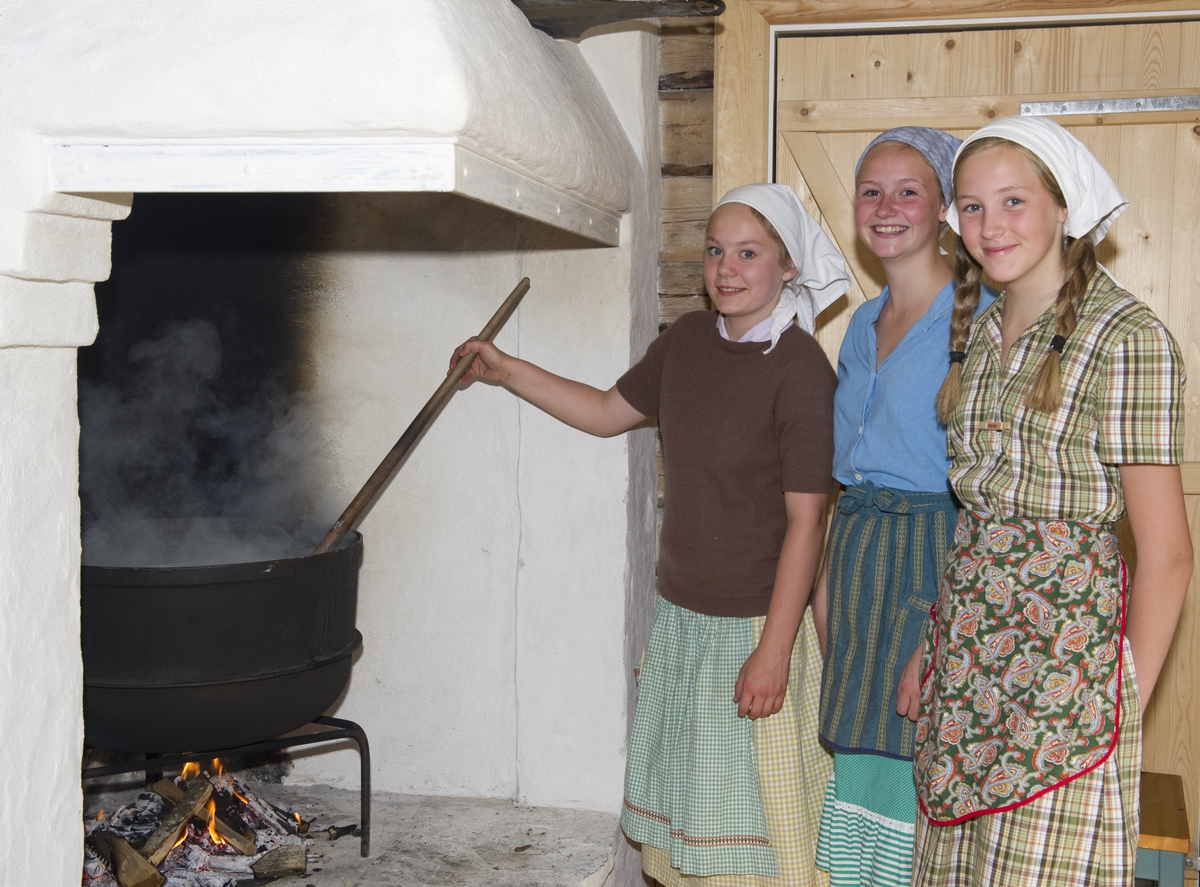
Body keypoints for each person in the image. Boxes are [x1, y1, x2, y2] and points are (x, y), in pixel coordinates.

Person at [451, 183, 849, 886]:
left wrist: (774, 652)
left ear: (789, 266)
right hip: (686, 623)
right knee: (691, 837)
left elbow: (808, 521)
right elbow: (608, 410)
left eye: (748, 253)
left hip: (755, 627)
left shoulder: (800, 370)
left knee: (755, 847)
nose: (726, 268)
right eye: (716, 251)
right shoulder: (686, 342)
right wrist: (505, 369)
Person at [904, 116, 1192, 886]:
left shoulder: (1126, 338)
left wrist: (1118, 697)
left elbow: (1166, 553)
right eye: (970, 206)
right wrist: (931, 649)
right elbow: (978, 522)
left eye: (1013, 202)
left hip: (1066, 665)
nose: (990, 225)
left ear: (1064, 208)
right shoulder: (982, 327)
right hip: (968, 657)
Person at [810, 127, 994, 887]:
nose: (886, 208)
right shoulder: (858, 325)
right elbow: (843, 479)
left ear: (945, 207)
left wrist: (941, 629)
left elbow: (985, 496)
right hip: (856, 561)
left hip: (931, 559)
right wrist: (826, 586)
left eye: (908, 190)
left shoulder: (981, 320)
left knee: (920, 758)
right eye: (871, 191)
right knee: (859, 759)